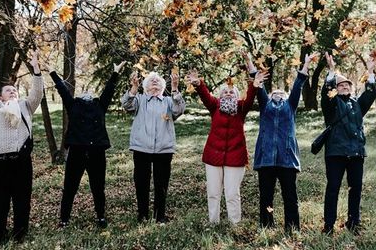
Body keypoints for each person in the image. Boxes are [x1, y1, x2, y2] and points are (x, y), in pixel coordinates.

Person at [185, 61, 267, 225]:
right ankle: (213, 222)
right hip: (213, 155)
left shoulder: (241, 108)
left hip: (235, 156)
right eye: (225, 92)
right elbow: (205, 95)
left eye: (232, 92)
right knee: (213, 192)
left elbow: (250, 98)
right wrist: (198, 83)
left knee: (231, 193)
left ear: (237, 96)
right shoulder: (215, 106)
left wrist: (255, 85)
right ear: (220, 95)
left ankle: (235, 223)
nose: (229, 93)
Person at [0, 44, 43, 246]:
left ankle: (20, 234)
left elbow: (38, 94)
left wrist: (36, 69)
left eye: (15, 89)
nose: (13, 92)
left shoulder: (25, 106)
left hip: (21, 162)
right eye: (8, 90)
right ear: (1, 96)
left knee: (22, 201)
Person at [50, 61, 125, 229]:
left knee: (98, 187)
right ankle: (64, 219)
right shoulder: (73, 105)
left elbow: (108, 91)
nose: (87, 93)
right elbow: (63, 91)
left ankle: (100, 216)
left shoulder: (100, 105)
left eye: (89, 92)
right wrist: (53, 73)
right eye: (84, 91)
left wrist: (115, 73)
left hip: (96, 152)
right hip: (76, 150)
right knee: (70, 187)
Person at [249, 52, 319, 232]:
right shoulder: (265, 105)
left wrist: (306, 65)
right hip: (266, 159)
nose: (278, 93)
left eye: (282, 92)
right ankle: (266, 226)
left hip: (287, 158)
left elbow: (298, 84)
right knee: (266, 196)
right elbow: (258, 85)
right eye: (275, 92)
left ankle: (293, 228)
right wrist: (249, 62)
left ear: (286, 96)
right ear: (271, 95)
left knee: (290, 196)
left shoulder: (290, 105)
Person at [320, 52, 376, 235]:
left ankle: (353, 223)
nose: (344, 87)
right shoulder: (331, 104)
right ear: (335, 88)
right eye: (340, 85)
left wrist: (369, 71)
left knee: (355, 190)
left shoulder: (357, 104)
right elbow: (326, 92)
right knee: (333, 189)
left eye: (347, 85)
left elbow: (370, 94)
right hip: (335, 153)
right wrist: (331, 71)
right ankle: (329, 225)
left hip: (356, 153)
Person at [121, 71, 185, 223]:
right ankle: (142, 215)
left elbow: (179, 110)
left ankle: (160, 216)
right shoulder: (140, 99)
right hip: (141, 148)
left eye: (158, 80)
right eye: (151, 80)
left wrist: (175, 88)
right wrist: (134, 88)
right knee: (141, 183)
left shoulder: (169, 101)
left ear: (163, 87)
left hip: (164, 149)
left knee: (161, 184)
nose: (155, 81)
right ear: (145, 86)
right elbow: (127, 105)